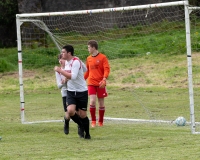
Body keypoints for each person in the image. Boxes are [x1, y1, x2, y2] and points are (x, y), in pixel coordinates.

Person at [54, 45, 91, 139]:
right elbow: (85, 69)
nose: (61, 54)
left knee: (82, 114)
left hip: (81, 91)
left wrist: (60, 71)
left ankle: (87, 134)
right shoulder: (66, 62)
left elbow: (73, 77)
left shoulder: (75, 62)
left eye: (63, 52)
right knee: (70, 111)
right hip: (70, 91)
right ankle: (80, 125)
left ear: (69, 53)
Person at [84, 40, 110, 127]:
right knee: (92, 101)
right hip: (91, 82)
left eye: (88, 47)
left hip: (100, 83)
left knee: (101, 102)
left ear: (93, 47)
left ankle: (101, 122)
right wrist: (82, 79)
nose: (88, 49)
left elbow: (107, 69)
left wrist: (104, 79)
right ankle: (93, 121)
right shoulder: (88, 58)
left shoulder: (103, 57)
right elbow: (87, 71)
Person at [55, 53, 69, 135]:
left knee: (78, 112)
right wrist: (64, 82)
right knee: (68, 114)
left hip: (74, 91)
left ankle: (80, 127)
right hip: (65, 93)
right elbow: (59, 85)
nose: (60, 60)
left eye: (62, 58)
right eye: (59, 59)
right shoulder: (58, 71)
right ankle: (66, 123)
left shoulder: (70, 68)